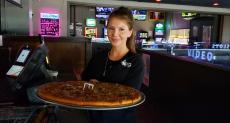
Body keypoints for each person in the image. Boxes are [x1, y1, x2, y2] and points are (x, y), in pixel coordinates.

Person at [81, 6, 144, 123]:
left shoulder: (136, 61)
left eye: (121, 29)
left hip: (121, 119)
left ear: (130, 32)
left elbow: (129, 96)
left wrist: (97, 86)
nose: (115, 34)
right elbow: (84, 80)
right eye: (111, 28)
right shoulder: (99, 56)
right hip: (94, 116)